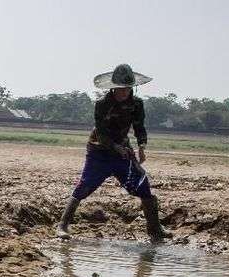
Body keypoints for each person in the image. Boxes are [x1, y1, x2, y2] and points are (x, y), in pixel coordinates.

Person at [57, 64, 172, 241]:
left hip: (122, 152)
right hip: (99, 151)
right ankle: (62, 225)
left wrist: (141, 147)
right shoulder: (102, 105)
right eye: (120, 89)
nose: (124, 92)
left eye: (127, 88)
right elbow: (102, 132)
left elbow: (139, 126)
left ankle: (155, 229)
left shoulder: (136, 104)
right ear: (113, 88)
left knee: (143, 186)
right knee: (85, 185)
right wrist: (115, 147)